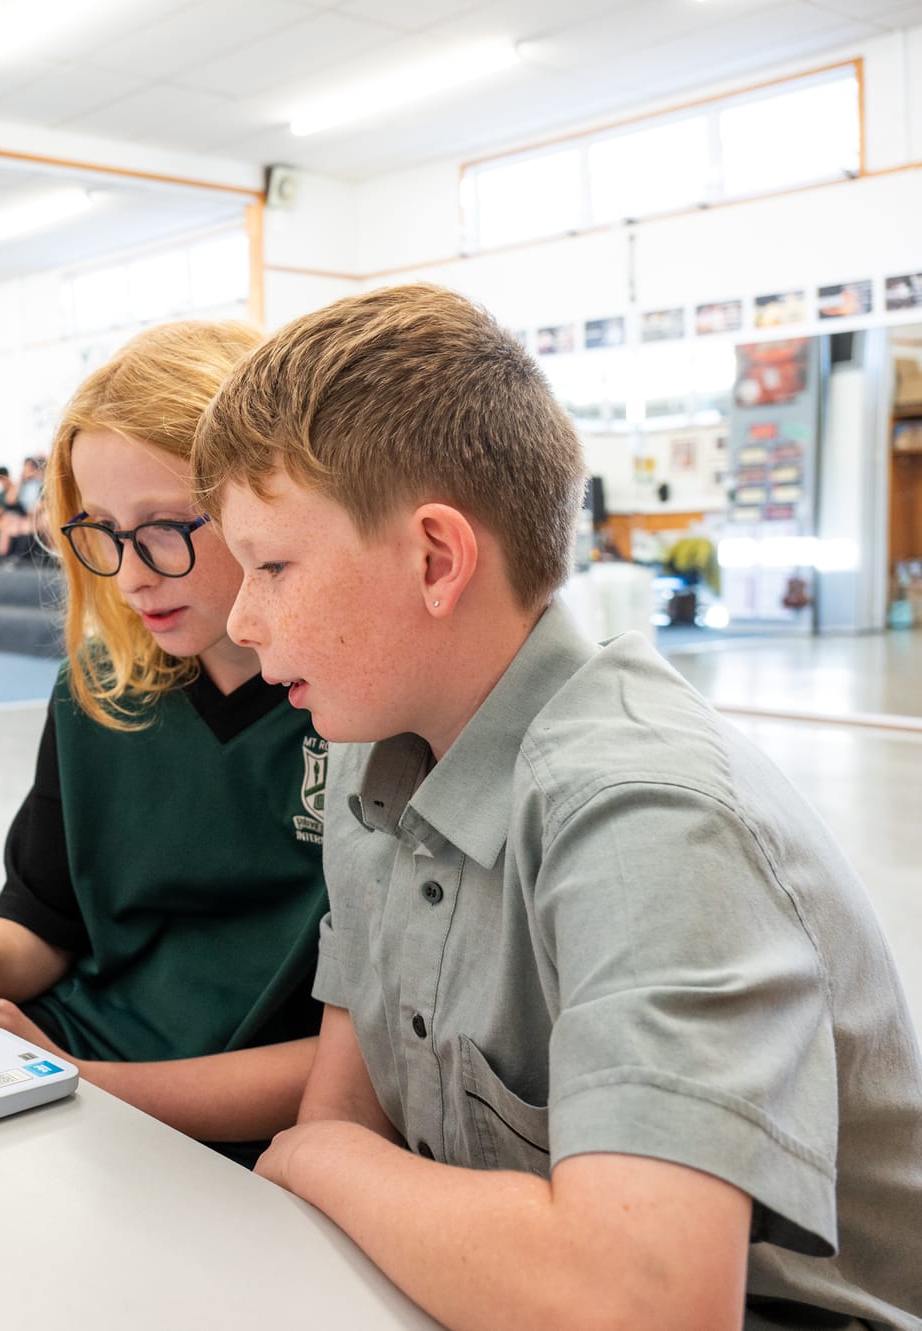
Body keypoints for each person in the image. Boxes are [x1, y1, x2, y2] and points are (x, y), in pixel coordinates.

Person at [190, 283, 922, 1329]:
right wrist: (333, 1151)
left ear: (436, 558)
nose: (241, 617)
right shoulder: (369, 756)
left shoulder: (647, 815)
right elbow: (348, 1110)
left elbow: (643, 1303)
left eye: (269, 565)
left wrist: (328, 1159)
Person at [0, 321, 328, 1163]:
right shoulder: (103, 686)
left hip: (211, 1127)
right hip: (69, 1065)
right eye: (100, 530)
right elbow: (42, 921)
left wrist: (77, 1078)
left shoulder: (356, 708)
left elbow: (366, 1065)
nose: (130, 573)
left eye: (166, 525)